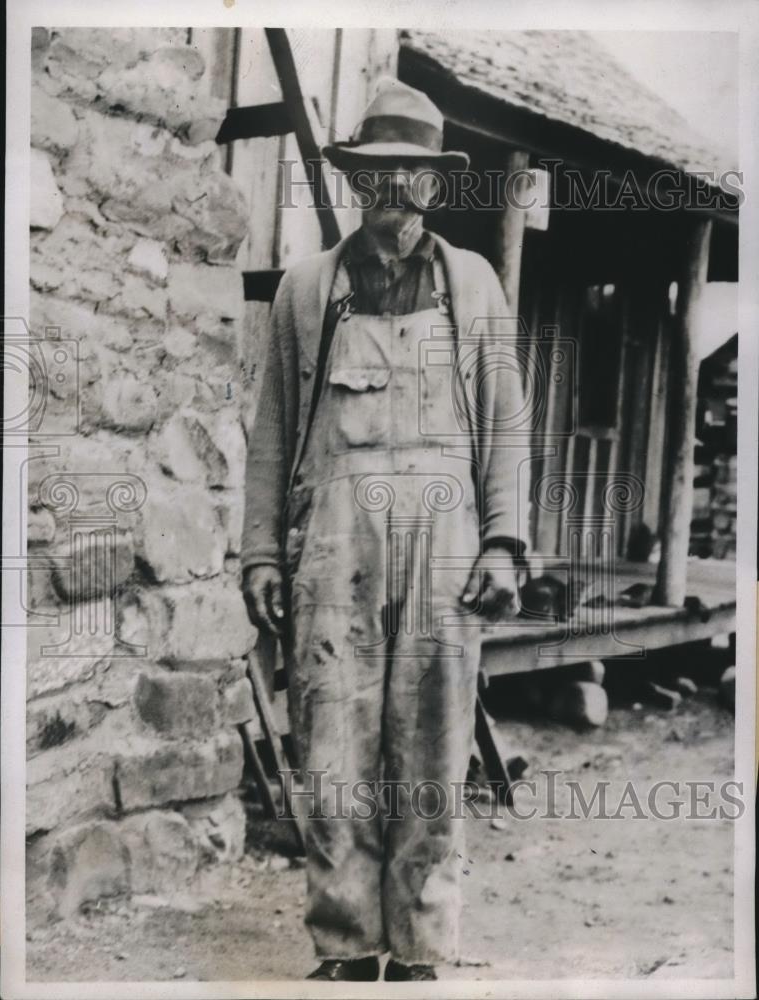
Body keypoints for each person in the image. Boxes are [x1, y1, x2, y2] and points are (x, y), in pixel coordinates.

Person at [241, 77, 529, 982]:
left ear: (435, 186)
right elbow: (273, 431)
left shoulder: (473, 285)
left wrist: (503, 540)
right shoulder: (305, 289)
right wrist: (258, 553)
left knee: (433, 755)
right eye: (378, 173)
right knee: (331, 750)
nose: (394, 191)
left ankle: (420, 946)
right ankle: (343, 942)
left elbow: (508, 422)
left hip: (445, 550)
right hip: (336, 546)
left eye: (412, 174)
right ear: (359, 180)